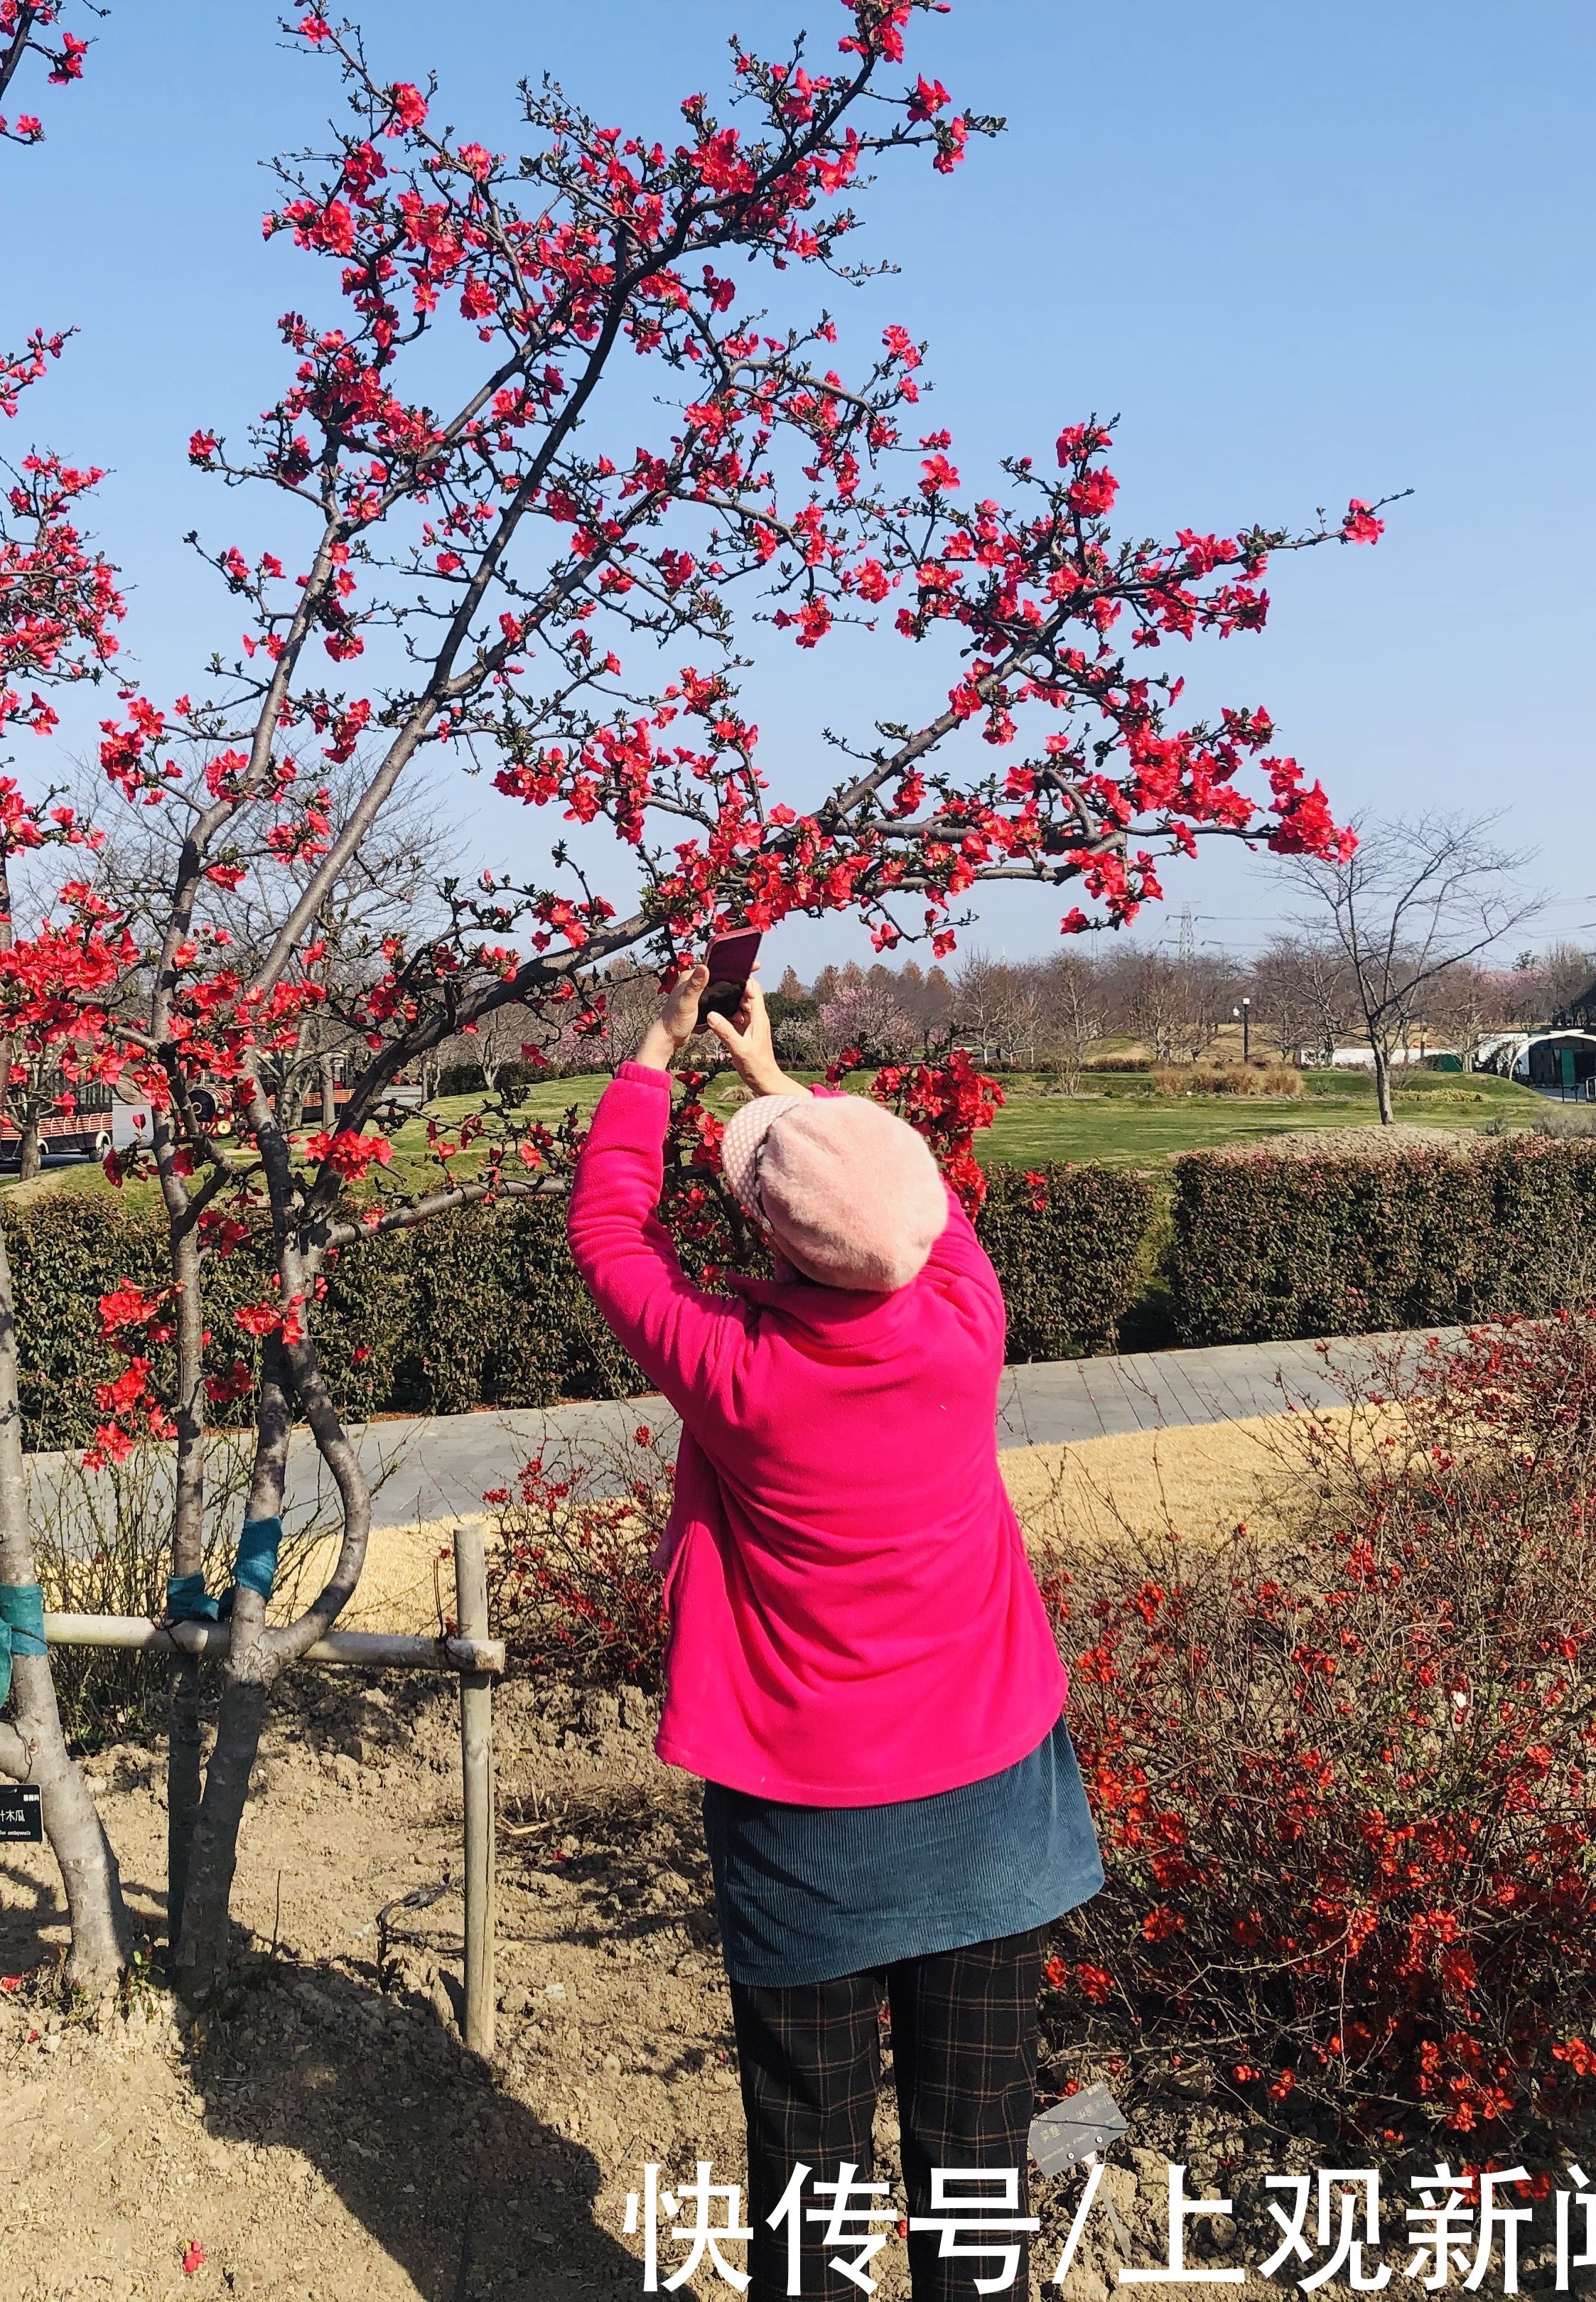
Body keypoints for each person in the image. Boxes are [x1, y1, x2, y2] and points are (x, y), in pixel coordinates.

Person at [566, 962, 1104, 2302]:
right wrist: (776, 1084)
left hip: (809, 1823)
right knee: (973, 2165)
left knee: (807, 2165)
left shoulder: (739, 1375)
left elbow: (610, 1239)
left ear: (774, 1236)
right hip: (994, 1811)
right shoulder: (964, 1324)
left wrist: (654, 1055)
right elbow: (904, 1223)